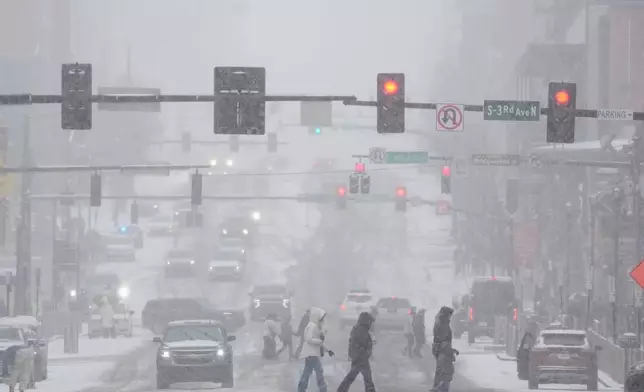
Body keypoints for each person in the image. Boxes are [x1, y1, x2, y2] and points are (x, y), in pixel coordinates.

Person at [336, 312, 376, 392]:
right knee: (366, 377)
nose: (372, 324)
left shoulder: (360, 329)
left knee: (354, 376)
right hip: (360, 358)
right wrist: (364, 354)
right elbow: (359, 344)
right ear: (366, 322)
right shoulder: (361, 331)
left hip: (359, 357)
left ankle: (341, 390)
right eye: (371, 322)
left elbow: (360, 343)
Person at [297, 307, 334, 392]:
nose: (322, 320)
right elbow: (309, 339)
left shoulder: (314, 326)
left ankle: (301, 388)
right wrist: (320, 340)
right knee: (318, 371)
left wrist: (328, 350)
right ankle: (322, 389)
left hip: (311, 354)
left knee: (307, 372)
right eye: (321, 318)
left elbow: (319, 342)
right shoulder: (312, 326)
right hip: (311, 354)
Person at [431, 306, 459, 392]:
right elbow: (443, 341)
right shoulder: (443, 325)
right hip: (443, 351)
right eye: (450, 315)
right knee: (446, 372)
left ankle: (438, 388)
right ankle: (440, 389)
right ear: (446, 315)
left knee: (441, 371)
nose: (450, 317)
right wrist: (451, 351)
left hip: (440, 350)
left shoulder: (440, 322)